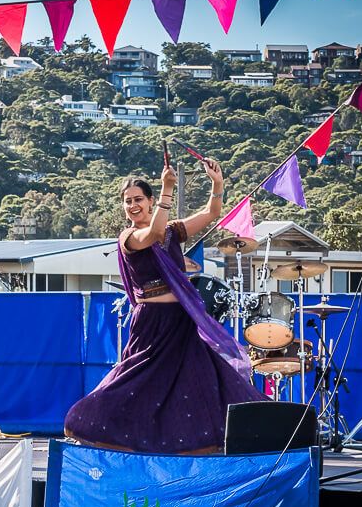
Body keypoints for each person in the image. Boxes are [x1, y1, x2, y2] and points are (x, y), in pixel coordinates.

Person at [64, 159, 266, 454]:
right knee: (137, 379)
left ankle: (209, 442)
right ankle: (93, 425)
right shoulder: (129, 238)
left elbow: (211, 213)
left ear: (149, 201)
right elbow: (154, 235)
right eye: (127, 201)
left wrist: (217, 183)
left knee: (204, 379)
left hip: (180, 320)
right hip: (152, 323)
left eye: (138, 200)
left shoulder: (173, 230)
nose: (133, 206)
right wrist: (168, 189)